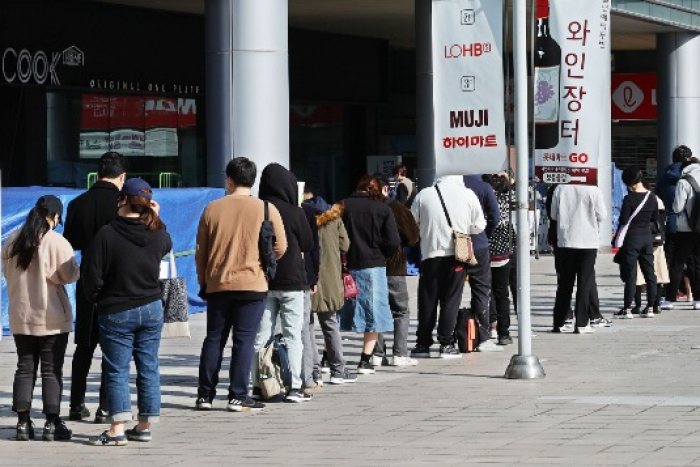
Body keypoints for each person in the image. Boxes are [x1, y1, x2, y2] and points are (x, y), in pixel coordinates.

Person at [81, 178, 172, 446]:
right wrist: (157, 216)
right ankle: (144, 425)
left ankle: (117, 429)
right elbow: (166, 243)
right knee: (149, 366)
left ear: (122, 200)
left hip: (117, 309)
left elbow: (91, 277)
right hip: (152, 307)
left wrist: (98, 300)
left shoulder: (106, 234)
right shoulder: (158, 234)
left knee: (117, 369)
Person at [195, 158, 287, 412]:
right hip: (253, 282)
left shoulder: (212, 209)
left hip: (218, 283)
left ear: (229, 179)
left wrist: (204, 281)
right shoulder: (266, 209)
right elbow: (280, 247)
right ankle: (237, 395)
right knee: (244, 340)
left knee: (214, 338)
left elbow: (200, 252)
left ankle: (205, 395)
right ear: (252, 180)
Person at [3, 195, 79, 441]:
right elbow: (69, 275)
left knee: (24, 367)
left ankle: (23, 423)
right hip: (51, 316)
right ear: (53, 217)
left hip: (20, 314)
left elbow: (6, 272)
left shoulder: (13, 240)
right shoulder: (56, 241)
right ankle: (52, 423)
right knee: (51, 369)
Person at [63, 151, 127, 423]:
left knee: (85, 346)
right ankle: (104, 407)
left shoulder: (78, 203)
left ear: (97, 173)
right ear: (122, 177)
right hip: (117, 282)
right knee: (113, 348)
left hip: (88, 280)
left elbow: (70, 243)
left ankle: (76, 404)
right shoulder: (123, 203)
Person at [253, 163, 314, 402]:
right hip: (292, 281)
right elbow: (308, 244)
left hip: (264, 280)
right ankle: (295, 387)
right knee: (292, 335)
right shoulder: (294, 211)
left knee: (261, 335)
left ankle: (259, 385)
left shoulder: (259, 209)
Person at [410, 175, 486, 358]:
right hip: (457, 255)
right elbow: (480, 225)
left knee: (427, 300)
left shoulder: (424, 194)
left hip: (430, 254)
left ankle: (422, 343)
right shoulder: (467, 194)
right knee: (450, 300)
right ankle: (446, 343)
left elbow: (412, 222)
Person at [340, 175, 401, 373]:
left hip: (346, 266)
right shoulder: (383, 210)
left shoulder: (342, 206)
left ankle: (328, 358)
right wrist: (380, 253)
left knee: (338, 313)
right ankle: (365, 360)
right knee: (374, 314)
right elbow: (393, 242)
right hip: (373, 265)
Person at [372, 175, 420, 366]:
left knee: (376, 310)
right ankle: (400, 353)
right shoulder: (395, 207)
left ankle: (376, 353)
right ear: (385, 189)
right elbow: (412, 235)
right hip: (393, 265)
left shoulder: (359, 208)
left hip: (368, 266)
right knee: (400, 310)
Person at [309, 202, 357, 384]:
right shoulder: (335, 219)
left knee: (308, 327)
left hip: (309, 279)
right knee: (330, 324)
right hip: (330, 280)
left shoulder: (305, 218)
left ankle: (314, 371)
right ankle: (337, 369)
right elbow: (345, 245)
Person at [550, 183, 607, 333]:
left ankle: (560, 322)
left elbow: (554, 215)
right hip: (588, 241)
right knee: (584, 282)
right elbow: (603, 215)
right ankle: (582, 322)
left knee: (564, 283)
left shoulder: (560, 188)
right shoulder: (594, 190)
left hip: (566, 239)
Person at [462, 174, 503, 352]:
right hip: (478, 243)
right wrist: (485, 234)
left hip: (456, 244)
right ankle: (483, 337)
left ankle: (448, 338)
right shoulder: (484, 187)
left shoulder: (452, 185)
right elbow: (495, 216)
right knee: (481, 290)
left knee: (452, 293)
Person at [613, 167, 659, 319]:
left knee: (631, 275)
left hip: (631, 239)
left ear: (629, 182)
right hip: (647, 238)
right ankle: (651, 307)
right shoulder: (652, 197)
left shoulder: (629, 198)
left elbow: (623, 220)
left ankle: (627, 309)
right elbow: (654, 219)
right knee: (649, 273)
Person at [656, 145, 692, 307]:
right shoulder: (689, 176)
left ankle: (668, 294)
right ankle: (693, 293)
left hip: (669, 223)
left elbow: (657, 197)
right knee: (692, 259)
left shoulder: (664, 176)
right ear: (688, 158)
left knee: (670, 260)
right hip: (689, 223)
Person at [485, 174, 515, 345]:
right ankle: (504, 332)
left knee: (487, 292)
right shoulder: (506, 199)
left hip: (485, 253)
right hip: (503, 255)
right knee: (502, 293)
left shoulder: (483, 199)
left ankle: (491, 326)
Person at [667, 158, 700, 309]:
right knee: (697, 262)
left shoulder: (683, 181)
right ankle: (698, 300)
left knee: (678, 262)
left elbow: (678, 207)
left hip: (686, 228)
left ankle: (670, 299)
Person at [300, 200, 321, 391]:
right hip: (302, 277)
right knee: (305, 328)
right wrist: (314, 276)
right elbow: (311, 245)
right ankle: (310, 374)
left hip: (271, 280)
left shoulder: (265, 207)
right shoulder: (305, 211)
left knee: (268, 330)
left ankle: (265, 379)